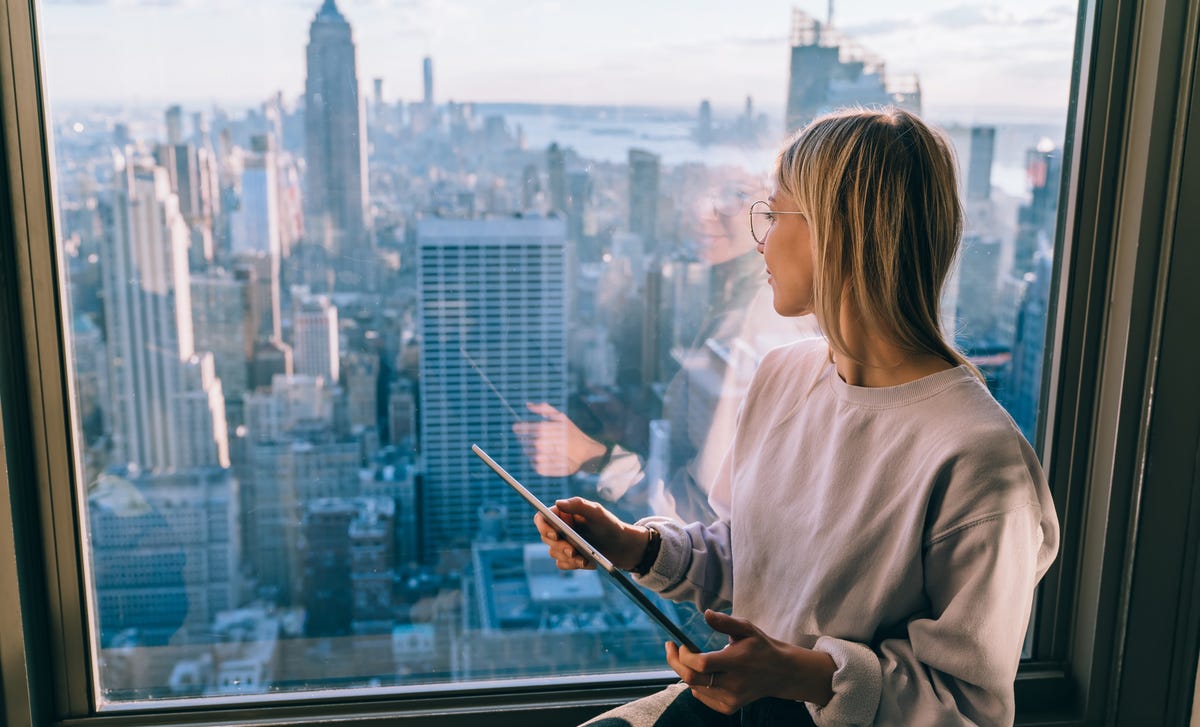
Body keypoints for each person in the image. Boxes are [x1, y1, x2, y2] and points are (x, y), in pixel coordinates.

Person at [532, 107, 1060, 725]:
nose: (760, 238)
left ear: (837, 233)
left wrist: (805, 677)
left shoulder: (978, 459)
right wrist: (633, 545)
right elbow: (752, 559)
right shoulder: (781, 376)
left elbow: (970, 709)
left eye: (774, 213)